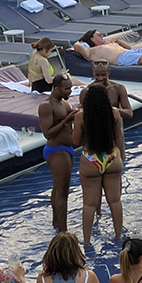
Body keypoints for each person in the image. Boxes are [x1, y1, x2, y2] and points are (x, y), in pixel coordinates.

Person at [73, 84, 125, 245]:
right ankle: (118, 236)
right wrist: (121, 158)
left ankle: (87, 242)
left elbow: (75, 141)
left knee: (89, 204)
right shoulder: (115, 113)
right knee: (115, 201)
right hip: (111, 157)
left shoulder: (81, 116)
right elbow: (119, 138)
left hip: (91, 159)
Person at [39, 74, 78, 233]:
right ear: (56, 88)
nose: (69, 91)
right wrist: (66, 119)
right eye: (66, 88)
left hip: (66, 149)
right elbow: (47, 133)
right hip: (56, 150)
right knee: (63, 192)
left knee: (57, 188)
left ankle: (56, 223)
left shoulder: (63, 102)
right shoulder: (46, 106)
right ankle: (63, 232)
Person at [74, 30, 142, 72]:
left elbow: (128, 48)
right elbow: (77, 47)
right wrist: (79, 42)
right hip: (121, 58)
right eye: (99, 35)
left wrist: (118, 41)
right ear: (92, 39)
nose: (102, 36)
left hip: (128, 53)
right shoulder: (91, 51)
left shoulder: (108, 43)